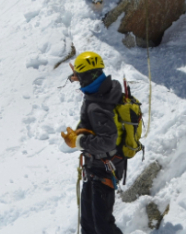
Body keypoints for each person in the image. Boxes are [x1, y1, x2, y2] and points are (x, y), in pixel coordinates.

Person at [61, 51, 125, 234]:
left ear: (89, 76)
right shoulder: (100, 92)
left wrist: (79, 141)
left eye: (80, 77)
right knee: (89, 222)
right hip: (97, 166)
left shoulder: (99, 105)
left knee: (102, 226)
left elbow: (107, 142)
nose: (78, 81)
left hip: (104, 168)